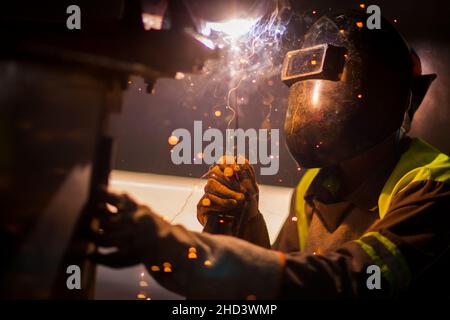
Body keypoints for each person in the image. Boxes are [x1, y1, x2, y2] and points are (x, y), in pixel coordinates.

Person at [91, 11, 450, 298]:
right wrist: (244, 228)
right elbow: (286, 285)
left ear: (380, 97)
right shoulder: (316, 183)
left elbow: (352, 281)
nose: (318, 113)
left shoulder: (435, 186)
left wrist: (187, 250)